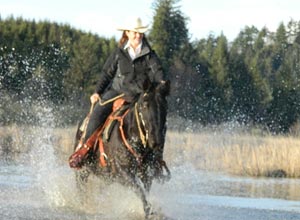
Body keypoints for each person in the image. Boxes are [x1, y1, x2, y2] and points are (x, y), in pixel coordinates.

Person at [69, 17, 167, 169]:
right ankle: (84, 150)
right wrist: (97, 92)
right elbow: (107, 74)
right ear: (127, 33)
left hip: (140, 96)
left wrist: (161, 84)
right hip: (116, 93)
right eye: (135, 32)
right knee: (96, 114)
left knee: (157, 121)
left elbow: (158, 72)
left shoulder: (150, 55)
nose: (138, 35)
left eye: (140, 33)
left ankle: (157, 159)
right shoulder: (119, 53)